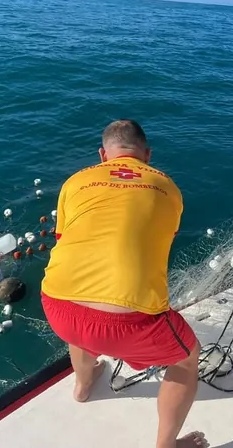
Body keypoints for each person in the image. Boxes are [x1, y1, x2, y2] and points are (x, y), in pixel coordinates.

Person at [40, 120, 208, 448]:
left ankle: (83, 386)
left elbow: (65, 238)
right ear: (147, 155)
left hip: (57, 306)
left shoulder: (75, 181)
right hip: (131, 322)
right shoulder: (169, 187)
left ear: (103, 155)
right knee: (188, 357)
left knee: (81, 305)